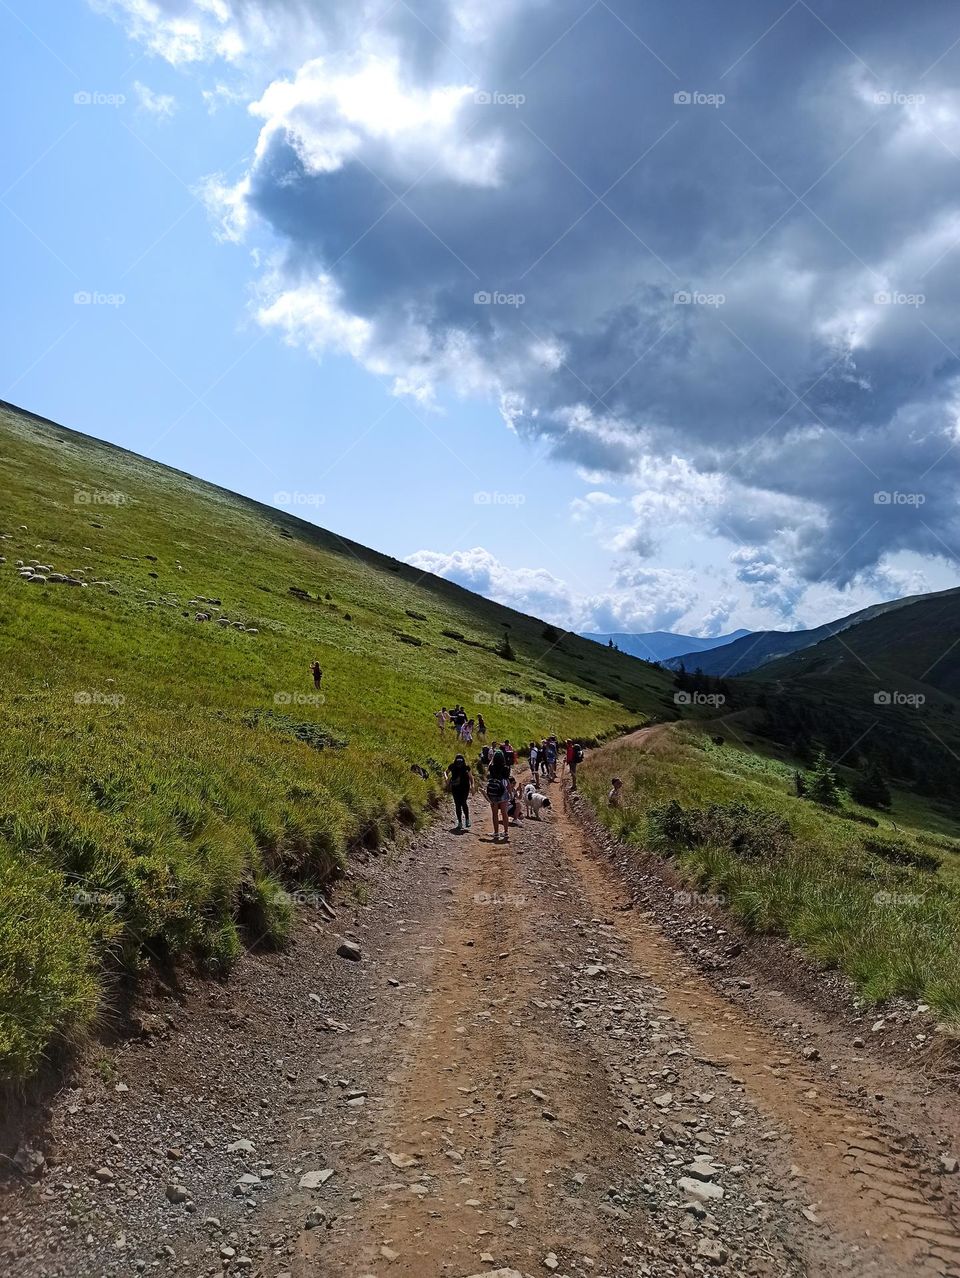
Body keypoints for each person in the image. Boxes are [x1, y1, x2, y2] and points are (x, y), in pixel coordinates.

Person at [485, 744, 511, 842]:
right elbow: (507, 780)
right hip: (503, 790)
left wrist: (491, 760)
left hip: (494, 791)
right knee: (504, 813)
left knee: (495, 814)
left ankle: (496, 832)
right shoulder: (506, 768)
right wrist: (510, 792)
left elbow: (488, 769)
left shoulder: (492, 767)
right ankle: (506, 831)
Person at [446, 753, 473, 831]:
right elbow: (446, 772)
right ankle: (462, 821)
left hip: (461, 787)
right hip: (459, 787)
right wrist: (446, 778)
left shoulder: (463, 767)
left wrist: (472, 785)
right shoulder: (462, 766)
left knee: (461, 803)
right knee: (460, 803)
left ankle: (464, 821)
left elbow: (471, 777)